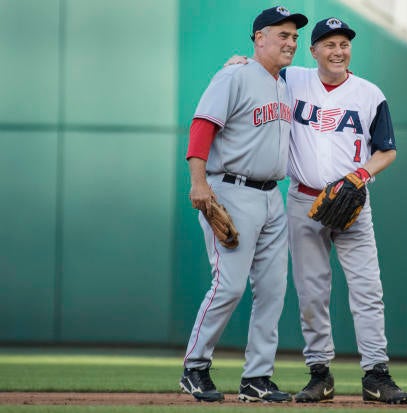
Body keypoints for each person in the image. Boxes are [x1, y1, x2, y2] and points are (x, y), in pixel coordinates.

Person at [179, 6, 307, 403]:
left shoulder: (284, 84)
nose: (290, 42)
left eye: (294, 37)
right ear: (259, 38)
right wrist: (199, 184)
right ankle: (195, 367)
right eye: (282, 35)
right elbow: (203, 125)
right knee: (229, 285)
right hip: (231, 190)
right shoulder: (233, 75)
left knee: (272, 291)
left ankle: (257, 378)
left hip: (272, 197)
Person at [284, 18, 407, 404]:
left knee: (368, 290)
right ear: (314, 51)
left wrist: (359, 175)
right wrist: (241, 61)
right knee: (311, 293)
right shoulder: (292, 80)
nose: (338, 51)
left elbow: (386, 150)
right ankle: (319, 374)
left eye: (344, 44)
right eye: (329, 44)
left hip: (353, 202)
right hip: (304, 200)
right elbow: (260, 70)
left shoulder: (369, 94)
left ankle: (376, 374)